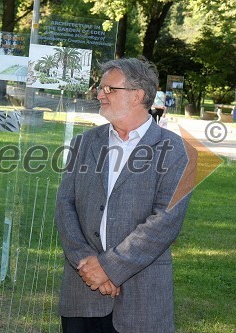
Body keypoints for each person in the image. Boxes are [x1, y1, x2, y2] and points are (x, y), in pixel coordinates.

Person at [55, 58, 197, 333]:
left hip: (142, 301)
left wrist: (108, 268)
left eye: (110, 89)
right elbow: (65, 205)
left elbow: (165, 222)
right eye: (100, 87)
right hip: (82, 294)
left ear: (137, 95)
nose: (100, 94)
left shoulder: (176, 150)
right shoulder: (83, 143)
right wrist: (86, 263)